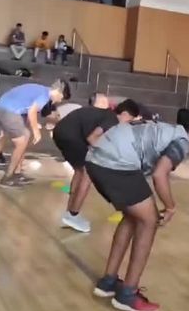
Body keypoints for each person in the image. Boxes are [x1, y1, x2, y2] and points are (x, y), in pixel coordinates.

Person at [87, 110, 189, 311]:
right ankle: (128, 294)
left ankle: (108, 282)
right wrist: (171, 206)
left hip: (96, 160)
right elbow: (159, 174)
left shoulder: (167, 130)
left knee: (132, 216)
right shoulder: (182, 142)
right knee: (149, 221)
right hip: (115, 163)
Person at [52, 97, 141, 233]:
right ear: (124, 114)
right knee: (88, 174)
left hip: (61, 132)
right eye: (130, 120)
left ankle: (69, 212)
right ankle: (73, 215)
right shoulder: (112, 120)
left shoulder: (106, 115)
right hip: (71, 135)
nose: (128, 124)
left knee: (80, 172)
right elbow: (92, 138)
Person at [0, 80, 70, 188]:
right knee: (23, 138)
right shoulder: (45, 95)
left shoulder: (40, 90)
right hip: (7, 109)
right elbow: (32, 112)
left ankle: (16, 173)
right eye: (61, 98)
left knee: (24, 139)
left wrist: (33, 126)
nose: (59, 101)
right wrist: (36, 131)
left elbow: (27, 111)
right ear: (58, 91)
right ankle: (7, 177)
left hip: (5, 107)